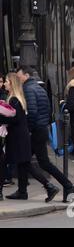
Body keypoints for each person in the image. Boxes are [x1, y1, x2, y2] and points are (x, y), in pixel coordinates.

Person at [16, 66, 74, 202]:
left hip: (35, 130)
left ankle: (64, 185)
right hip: (41, 128)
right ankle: (22, 191)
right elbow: (47, 109)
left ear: (26, 75)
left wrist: (29, 129)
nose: (18, 79)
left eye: (19, 76)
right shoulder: (39, 88)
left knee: (39, 162)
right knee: (24, 160)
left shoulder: (28, 89)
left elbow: (31, 111)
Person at [0, 73, 59, 201]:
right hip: (20, 137)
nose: (4, 83)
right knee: (23, 165)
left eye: (6, 81)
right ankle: (23, 192)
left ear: (12, 84)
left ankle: (49, 187)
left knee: (15, 163)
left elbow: (14, 119)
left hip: (17, 138)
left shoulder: (14, 99)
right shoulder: (17, 98)